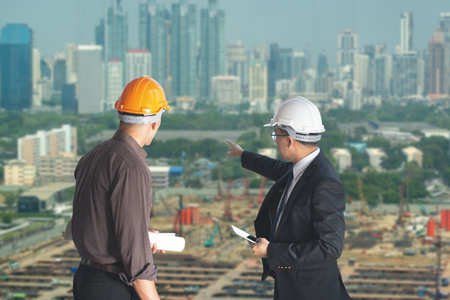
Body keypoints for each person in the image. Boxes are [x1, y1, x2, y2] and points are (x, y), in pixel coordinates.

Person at [227, 96, 350, 300]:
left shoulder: (324, 183)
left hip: (311, 291)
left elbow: (330, 247)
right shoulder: (302, 167)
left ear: (289, 140)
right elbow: (275, 168)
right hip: (293, 283)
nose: (275, 140)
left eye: (276, 134)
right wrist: (243, 155)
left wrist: (272, 252)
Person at [71, 77, 170, 300]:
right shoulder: (132, 168)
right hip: (113, 286)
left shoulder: (94, 155)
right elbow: (137, 261)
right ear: (155, 123)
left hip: (87, 278)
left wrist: (141, 236)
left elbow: (95, 220)